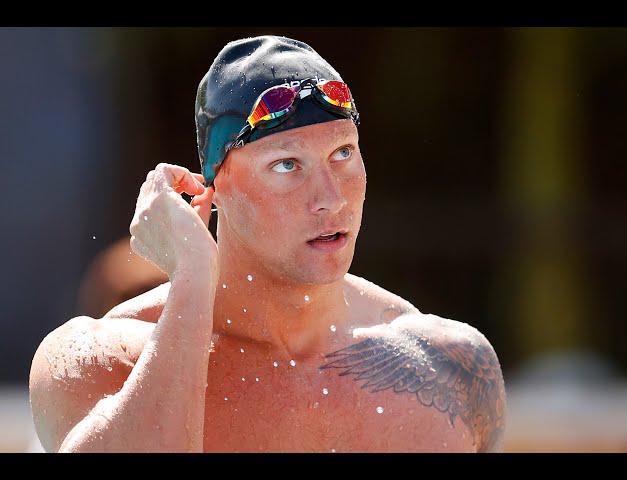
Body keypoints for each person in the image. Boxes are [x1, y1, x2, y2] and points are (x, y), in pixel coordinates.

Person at [29, 35, 506, 453]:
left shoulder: (447, 367)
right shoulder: (103, 361)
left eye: (342, 153)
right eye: (287, 165)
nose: (330, 198)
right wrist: (192, 275)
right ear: (217, 184)